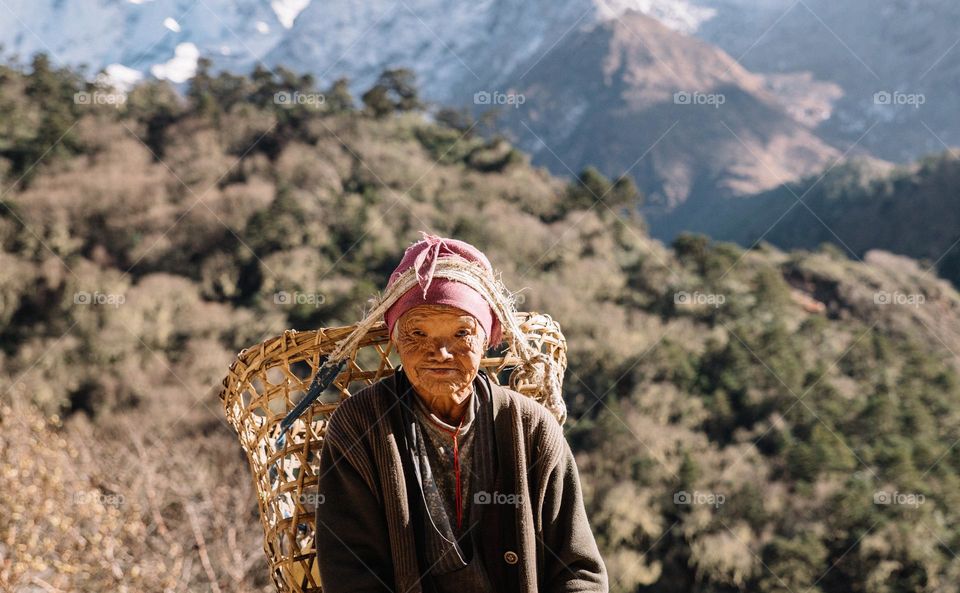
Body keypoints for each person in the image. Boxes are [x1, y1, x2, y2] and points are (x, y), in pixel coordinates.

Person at [314, 232, 608, 593]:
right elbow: (351, 573)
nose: (440, 352)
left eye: (461, 333)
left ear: (485, 340)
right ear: (394, 340)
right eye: (418, 332)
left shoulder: (531, 429)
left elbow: (579, 570)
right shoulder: (360, 426)